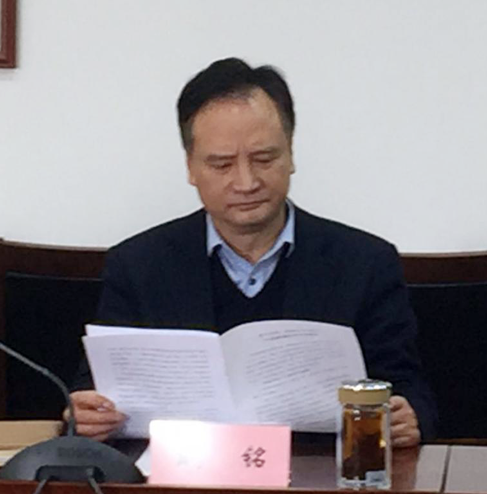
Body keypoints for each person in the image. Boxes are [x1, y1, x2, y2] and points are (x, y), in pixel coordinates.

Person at [66, 57, 437, 448]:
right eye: (221, 164)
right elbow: (95, 389)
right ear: (191, 167)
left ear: (290, 154)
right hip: (183, 472)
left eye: (264, 159)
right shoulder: (139, 266)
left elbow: (408, 387)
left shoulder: (364, 263)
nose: (246, 182)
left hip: (319, 471)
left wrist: (409, 416)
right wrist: (85, 415)